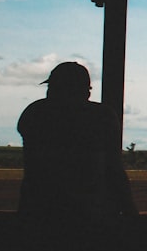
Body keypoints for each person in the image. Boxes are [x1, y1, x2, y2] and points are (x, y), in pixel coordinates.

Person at [17, 62, 137, 226]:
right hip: (91, 212)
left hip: (38, 211)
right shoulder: (102, 117)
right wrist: (130, 211)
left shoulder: (35, 113)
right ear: (86, 92)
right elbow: (114, 168)